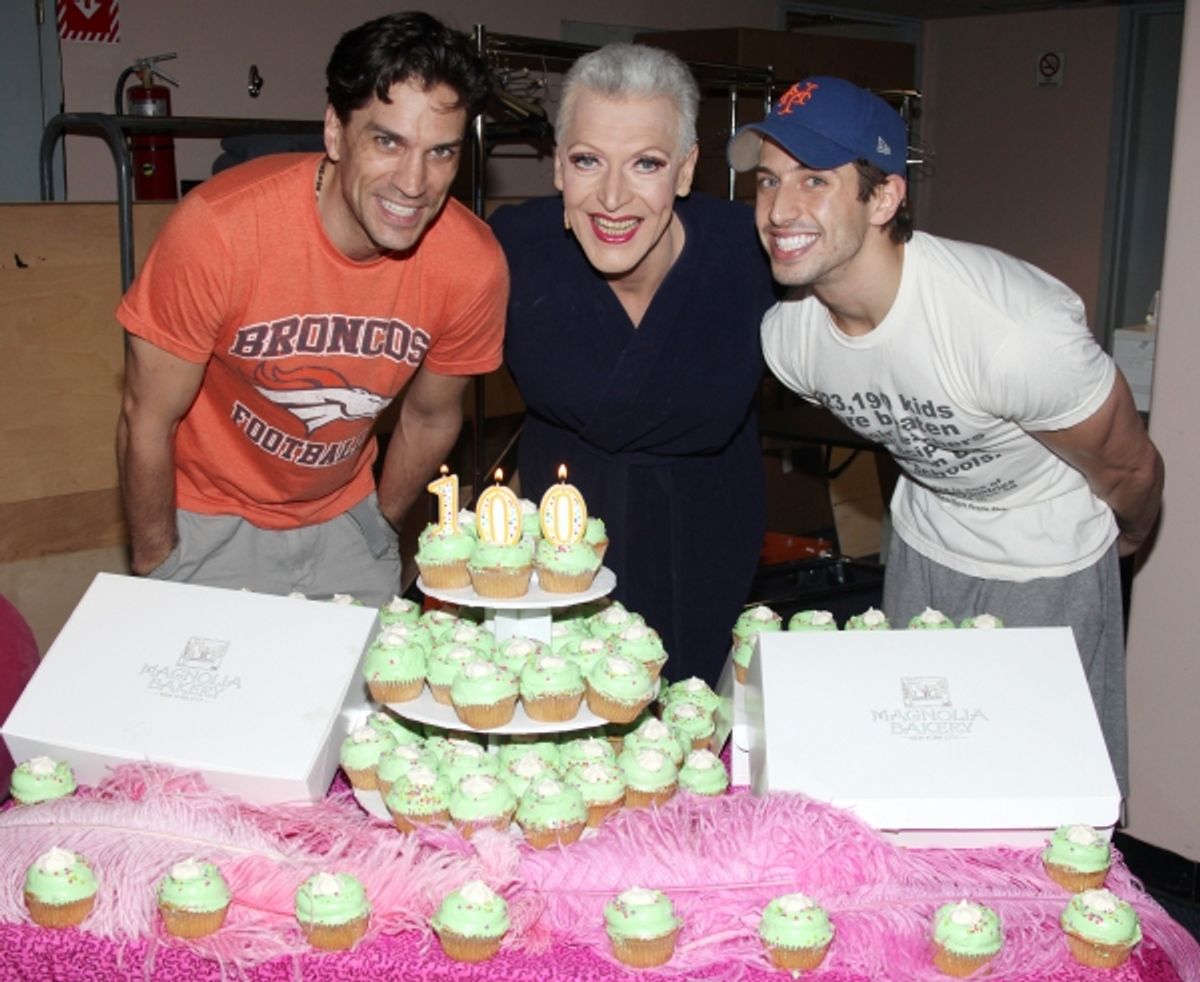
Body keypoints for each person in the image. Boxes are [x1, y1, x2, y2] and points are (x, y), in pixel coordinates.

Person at [729, 76, 1164, 794]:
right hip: (925, 545)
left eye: (814, 179)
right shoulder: (793, 342)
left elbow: (1132, 469)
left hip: (1045, 556)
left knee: (1043, 796)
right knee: (918, 777)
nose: (780, 209)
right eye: (769, 181)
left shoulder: (1010, 333)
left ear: (885, 198)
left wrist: (1122, 550)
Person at [116, 12, 508, 605]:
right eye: (387, 141)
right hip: (206, 522)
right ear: (334, 132)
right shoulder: (219, 231)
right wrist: (157, 559)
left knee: (360, 699)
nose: (413, 182)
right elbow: (147, 417)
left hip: (345, 522)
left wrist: (378, 525)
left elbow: (431, 418)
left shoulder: (470, 263)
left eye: (441, 153)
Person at [490, 44, 778, 687]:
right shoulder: (514, 250)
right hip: (557, 557)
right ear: (559, 166)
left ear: (685, 170)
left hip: (708, 553)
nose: (613, 198)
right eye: (588, 160)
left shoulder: (753, 257)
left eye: (645, 163)